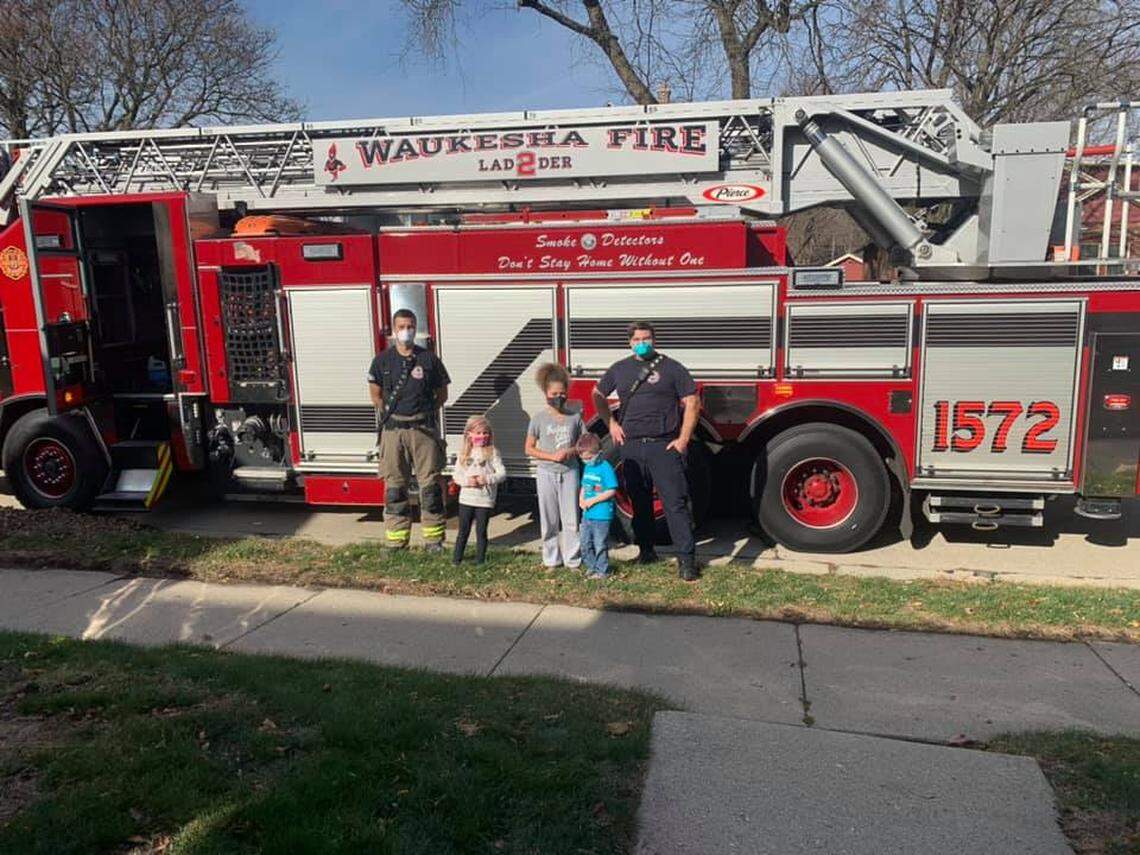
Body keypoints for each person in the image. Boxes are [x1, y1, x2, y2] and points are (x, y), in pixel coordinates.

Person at [592, 321, 701, 581]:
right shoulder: (620, 369)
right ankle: (646, 551)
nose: (642, 342)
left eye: (647, 338)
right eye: (637, 338)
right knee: (640, 504)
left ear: (654, 339)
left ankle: (686, 561)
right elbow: (597, 393)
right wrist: (611, 423)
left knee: (675, 504)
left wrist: (683, 439)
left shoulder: (672, 367)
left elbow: (693, 401)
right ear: (630, 342)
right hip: (630, 447)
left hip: (663, 446)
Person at [368, 308, 451, 552]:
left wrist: (423, 413)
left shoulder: (429, 359)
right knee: (394, 487)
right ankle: (396, 541)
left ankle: (433, 540)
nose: (407, 330)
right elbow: (376, 395)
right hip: (394, 431)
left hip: (423, 430)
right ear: (393, 331)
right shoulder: (382, 360)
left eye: (411, 325)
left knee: (431, 487)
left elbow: (442, 394)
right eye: (402, 326)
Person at [525, 363, 584, 570]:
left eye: (562, 393)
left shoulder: (574, 417)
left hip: (569, 471)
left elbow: (584, 444)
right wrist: (550, 456)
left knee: (571, 518)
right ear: (546, 393)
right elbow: (529, 448)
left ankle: (573, 559)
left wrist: (570, 452)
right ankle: (551, 558)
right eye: (554, 393)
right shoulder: (538, 419)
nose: (558, 396)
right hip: (546, 472)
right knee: (549, 519)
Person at [451, 414, 506, 565]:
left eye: (485, 433)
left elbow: (502, 473)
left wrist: (487, 479)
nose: (482, 436)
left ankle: (480, 561)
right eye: (478, 433)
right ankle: (456, 560)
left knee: (481, 531)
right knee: (463, 531)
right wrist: (467, 481)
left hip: (484, 500)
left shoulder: (492, 452)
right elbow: (456, 475)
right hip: (466, 499)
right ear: (469, 434)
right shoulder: (464, 454)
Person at [577, 433, 618, 580]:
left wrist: (593, 501)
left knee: (600, 544)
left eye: (588, 458)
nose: (586, 461)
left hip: (601, 515)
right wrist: (581, 499)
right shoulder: (588, 468)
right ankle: (591, 566)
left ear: (598, 453)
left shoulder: (605, 468)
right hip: (587, 514)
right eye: (583, 459)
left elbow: (611, 490)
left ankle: (602, 570)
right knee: (584, 543)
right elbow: (584, 485)